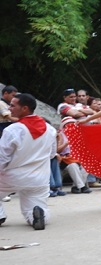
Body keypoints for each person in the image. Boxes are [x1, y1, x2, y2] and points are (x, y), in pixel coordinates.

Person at [0, 93, 56, 230]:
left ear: (24, 108)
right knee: (35, 208)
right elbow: (52, 154)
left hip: (13, 176)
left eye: (13, 105)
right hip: (40, 179)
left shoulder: (12, 130)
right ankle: (38, 214)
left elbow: (2, 157)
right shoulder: (51, 130)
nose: (9, 108)